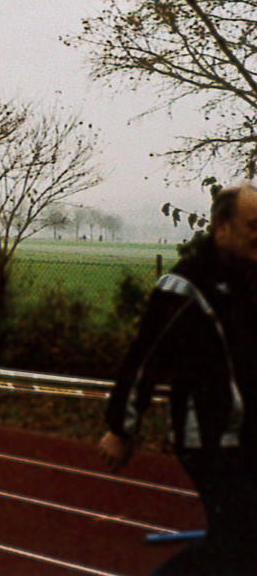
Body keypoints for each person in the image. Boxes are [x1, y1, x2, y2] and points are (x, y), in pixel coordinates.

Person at [99, 182, 257, 574]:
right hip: (208, 436)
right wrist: (121, 427)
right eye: (253, 225)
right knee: (239, 539)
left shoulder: (249, 281)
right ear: (222, 228)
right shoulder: (186, 285)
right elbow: (146, 357)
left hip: (248, 433)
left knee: (239, 542)